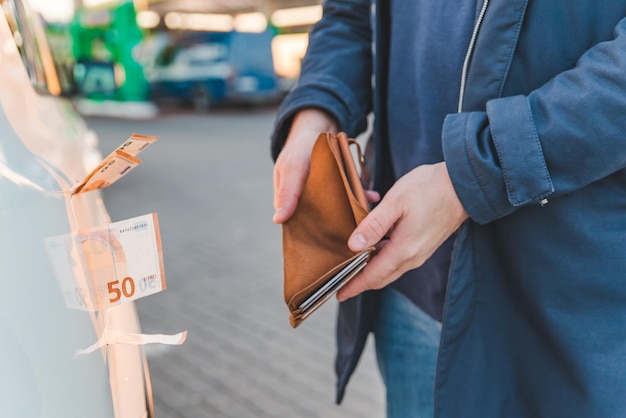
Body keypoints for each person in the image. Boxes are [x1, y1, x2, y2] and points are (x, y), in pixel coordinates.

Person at [273, 1, 626, 417]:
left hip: (562, 309)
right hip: (407, 290)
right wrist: (317, 110)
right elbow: (349, 13)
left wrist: (475, 173)